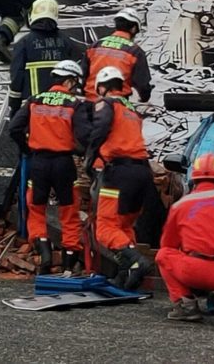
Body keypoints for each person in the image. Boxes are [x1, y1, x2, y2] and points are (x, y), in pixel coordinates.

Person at [8, 60, 92, 274]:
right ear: (70, 80)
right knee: (69, 210)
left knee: (36, 208)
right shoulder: (74, 103)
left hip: (38, 163)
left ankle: (44, 254)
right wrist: (82, 152)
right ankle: (68, 264)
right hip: (64, 163)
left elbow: (14, 127)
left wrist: (26, 148)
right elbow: (85, 136)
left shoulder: (34, 100)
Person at [155, 154, 214, 327]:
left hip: (194, 269)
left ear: (194, 178)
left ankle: (186, 305)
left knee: (163, 255)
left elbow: (167, 244)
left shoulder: (181, 205)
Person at [85, 65, 155, 290]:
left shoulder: (106, 103)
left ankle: (137, 261)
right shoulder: (131, 109)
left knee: (105, 227)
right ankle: (126, 274)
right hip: (141, 172)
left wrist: (90, 156)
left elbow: (101, 127)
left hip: (119, 172)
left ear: (103, 87)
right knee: (123, 226)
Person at [7, 0, 83, 115]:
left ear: (32, 16)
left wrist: (14, 103)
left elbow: (17, 74)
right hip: (63, 107)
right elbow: (80, 70)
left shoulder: (24, 43)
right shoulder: (67, 42)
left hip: (33, 107)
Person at [84, 8, 152, 102]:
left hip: (90, 102)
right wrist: (145, 98)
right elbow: (143, 86)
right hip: (116, 104)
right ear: (134, 29)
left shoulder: (95, 45)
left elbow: (82, 75)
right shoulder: (135, 51)